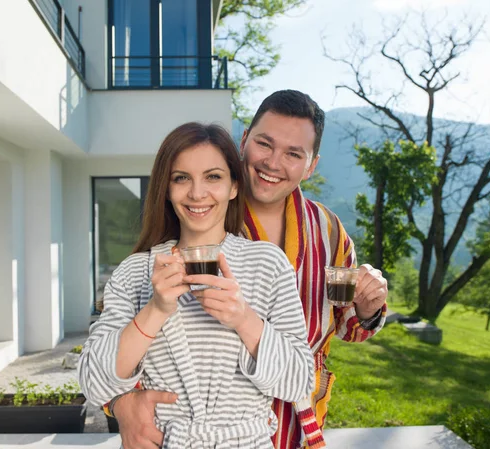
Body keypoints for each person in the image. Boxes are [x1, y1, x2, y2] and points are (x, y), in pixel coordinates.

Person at [105, 91, 389, 449]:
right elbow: (120, 334)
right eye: (264, 144)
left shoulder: (329, 231)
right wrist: (120, 403)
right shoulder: (197, 218)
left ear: (311, 165)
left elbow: (346, 324)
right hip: (193, 424)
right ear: (244, 140)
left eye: (293, 154)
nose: (273, 162)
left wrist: (367, 307)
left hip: (296, 423)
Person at [78, 122, 316, 448]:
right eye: (181, 178)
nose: (197, 193)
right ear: (167, 188)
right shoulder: (135, 272)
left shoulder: (268, 264)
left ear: (234, 186)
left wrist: (244, 319)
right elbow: (93, 383)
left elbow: (300, 382)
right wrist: (156, 309)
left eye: (213, 177)